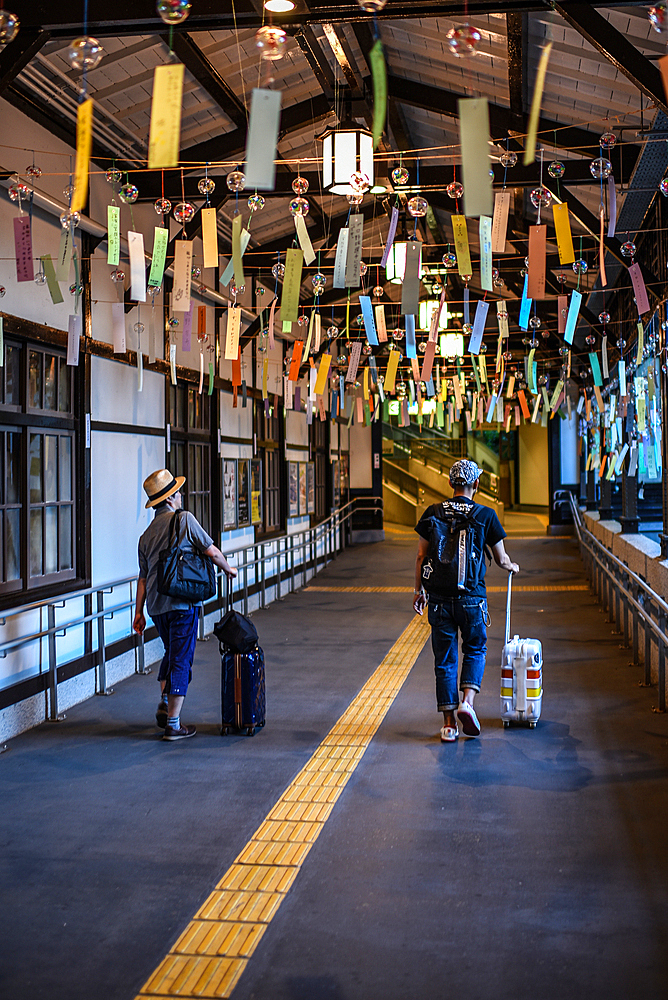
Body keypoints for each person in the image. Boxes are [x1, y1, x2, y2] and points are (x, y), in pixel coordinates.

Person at [413, 459, 519, 743]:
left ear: (450, 484)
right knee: (475, 649)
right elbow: (501, 558)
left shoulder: (432, 512)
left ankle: (448, 725)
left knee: (444, 660)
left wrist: (418, 591)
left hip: (437, 599)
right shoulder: (486, 515)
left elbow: (422, 556)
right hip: (472, 600)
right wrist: (512, 566)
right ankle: (467, 703)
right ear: (476, 485)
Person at [133, 469, 237, 741]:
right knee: (181, 658)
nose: (180, 496)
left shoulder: (145, 536)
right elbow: (210, 551)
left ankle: (166, 704)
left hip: (156, 607)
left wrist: (138, 613)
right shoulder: (185, 520)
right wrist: (228, 569)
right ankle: (174, 724)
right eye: (177, 493)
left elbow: (143, 579)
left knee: (171, 651)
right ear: (170, 498)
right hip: (181, 603)